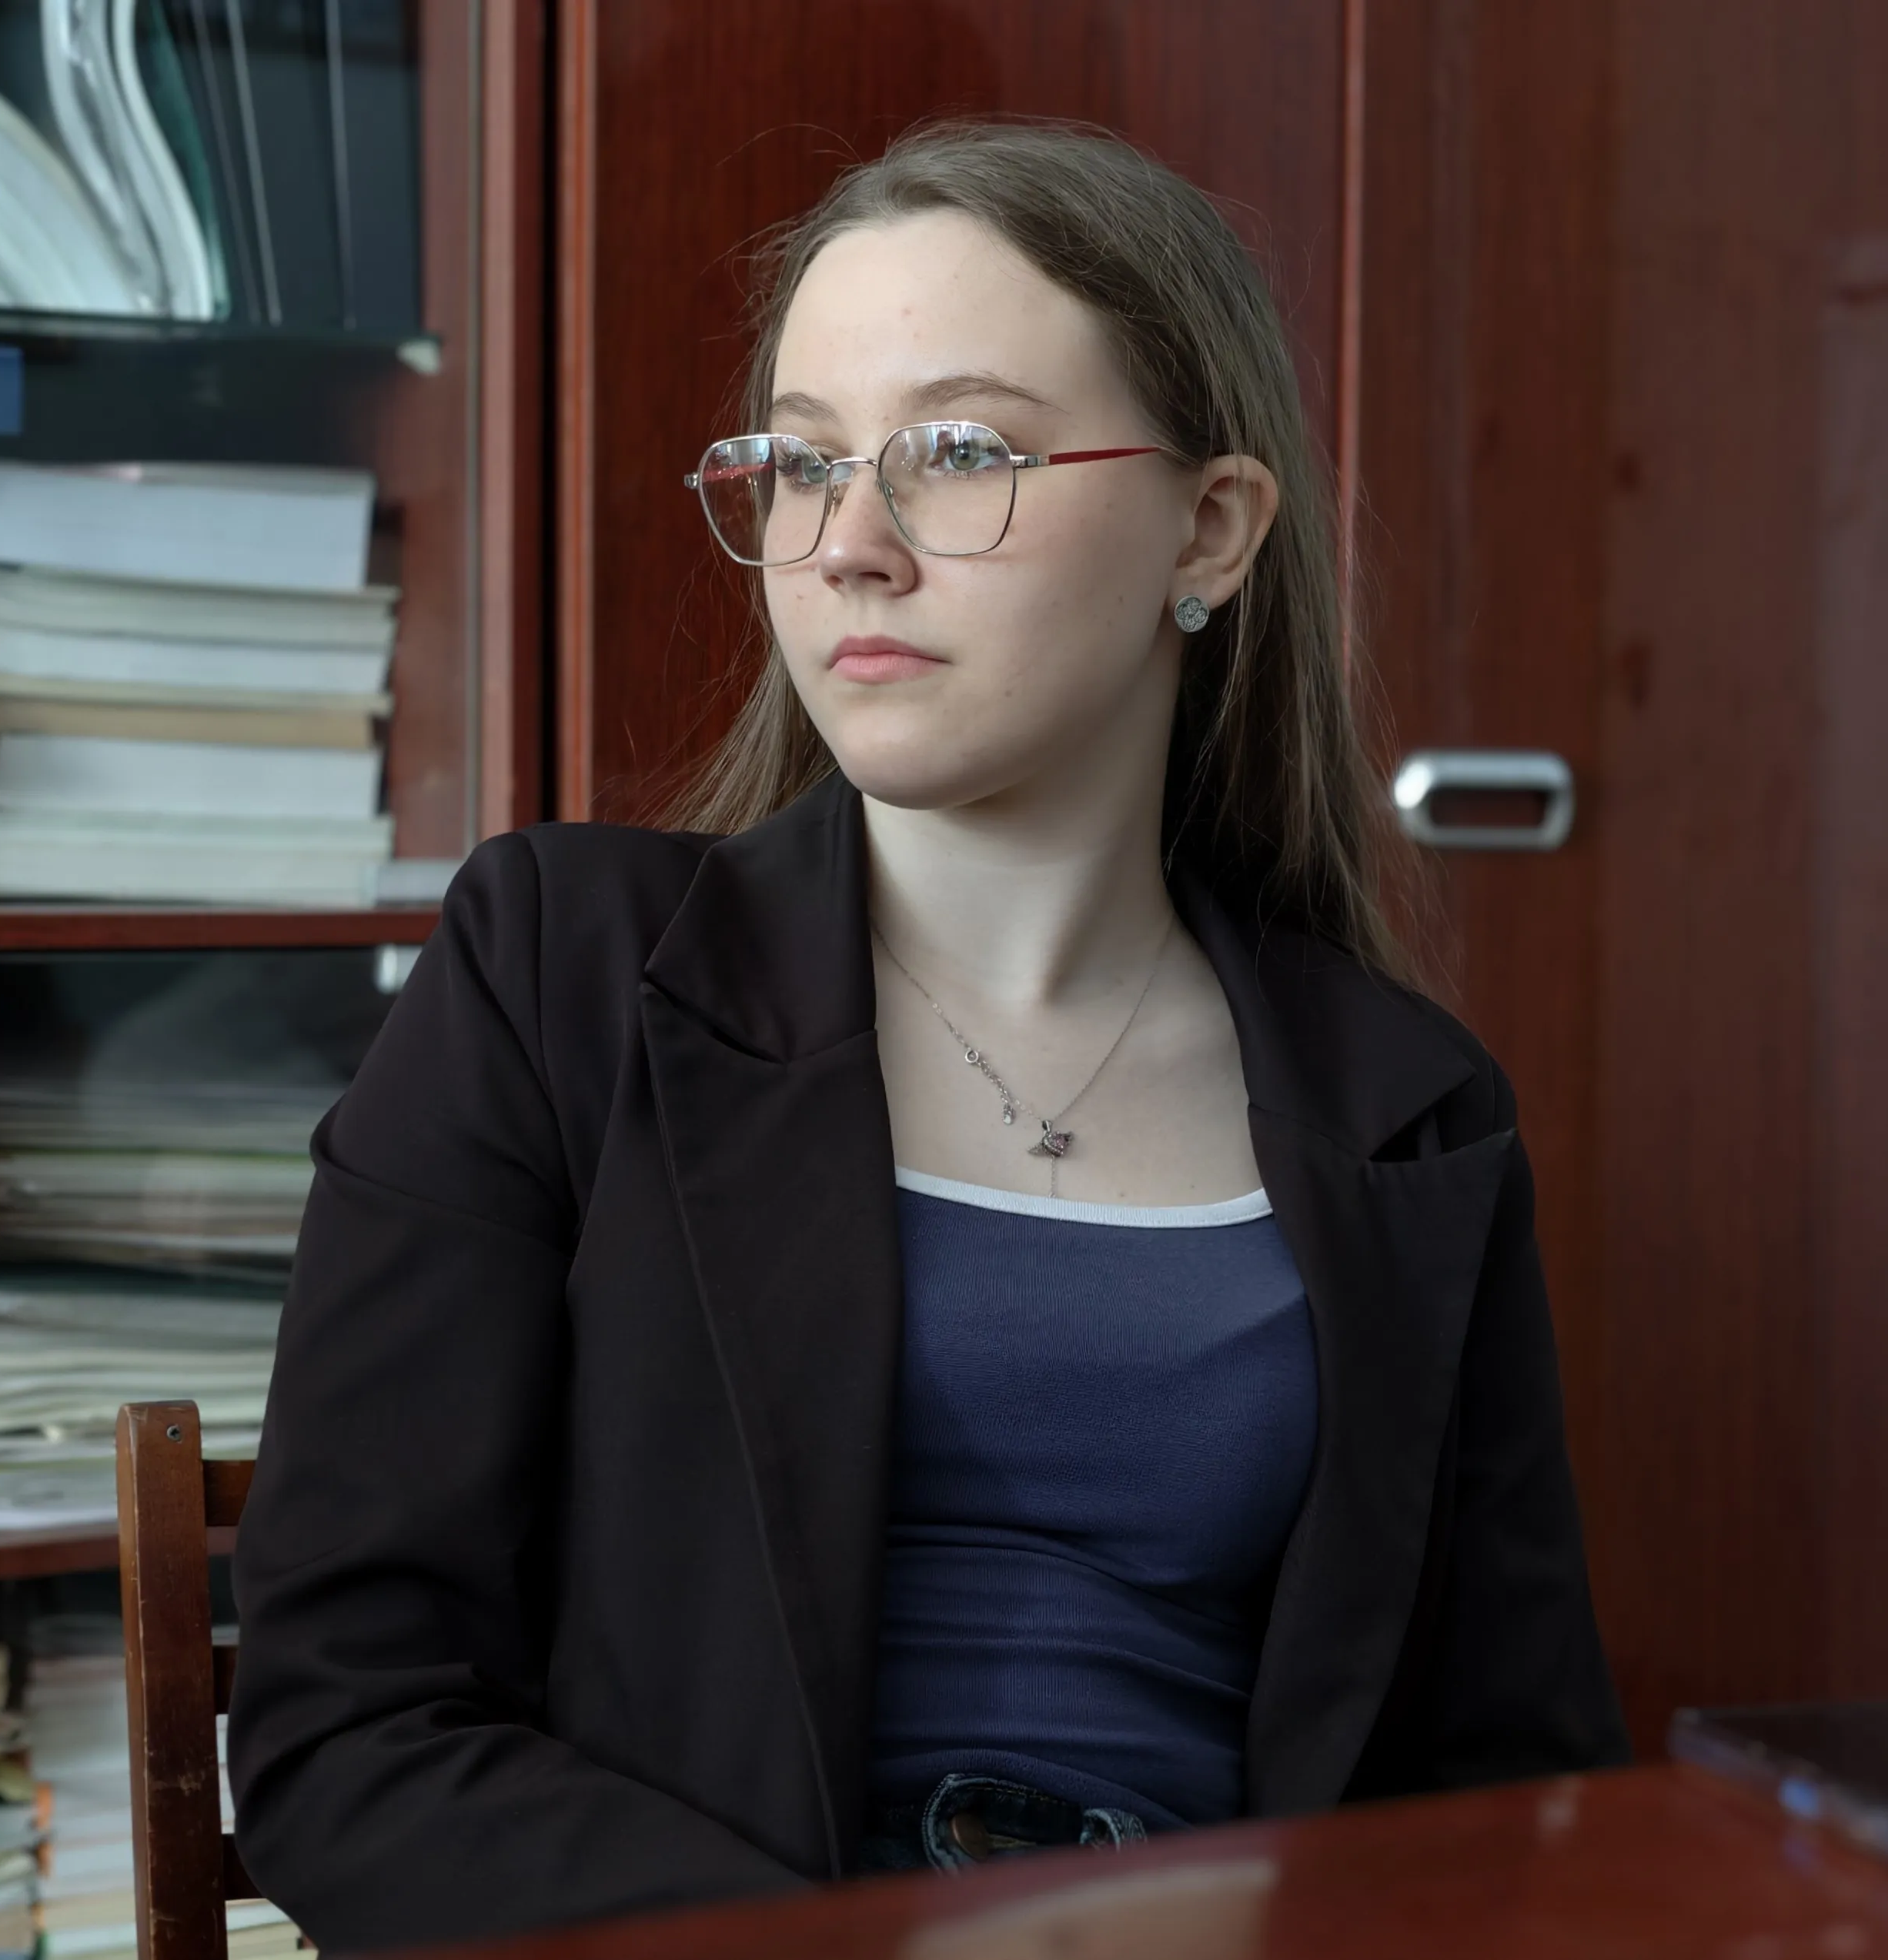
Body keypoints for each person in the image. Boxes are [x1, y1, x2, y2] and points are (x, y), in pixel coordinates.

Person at [229, 118, 1626, 1953]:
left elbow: (1513, 1803)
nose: (851, 547)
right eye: (802, 464)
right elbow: (345, 1738)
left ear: (1210, 530)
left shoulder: (1411, 1115)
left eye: (961, 454)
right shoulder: (556, 972)